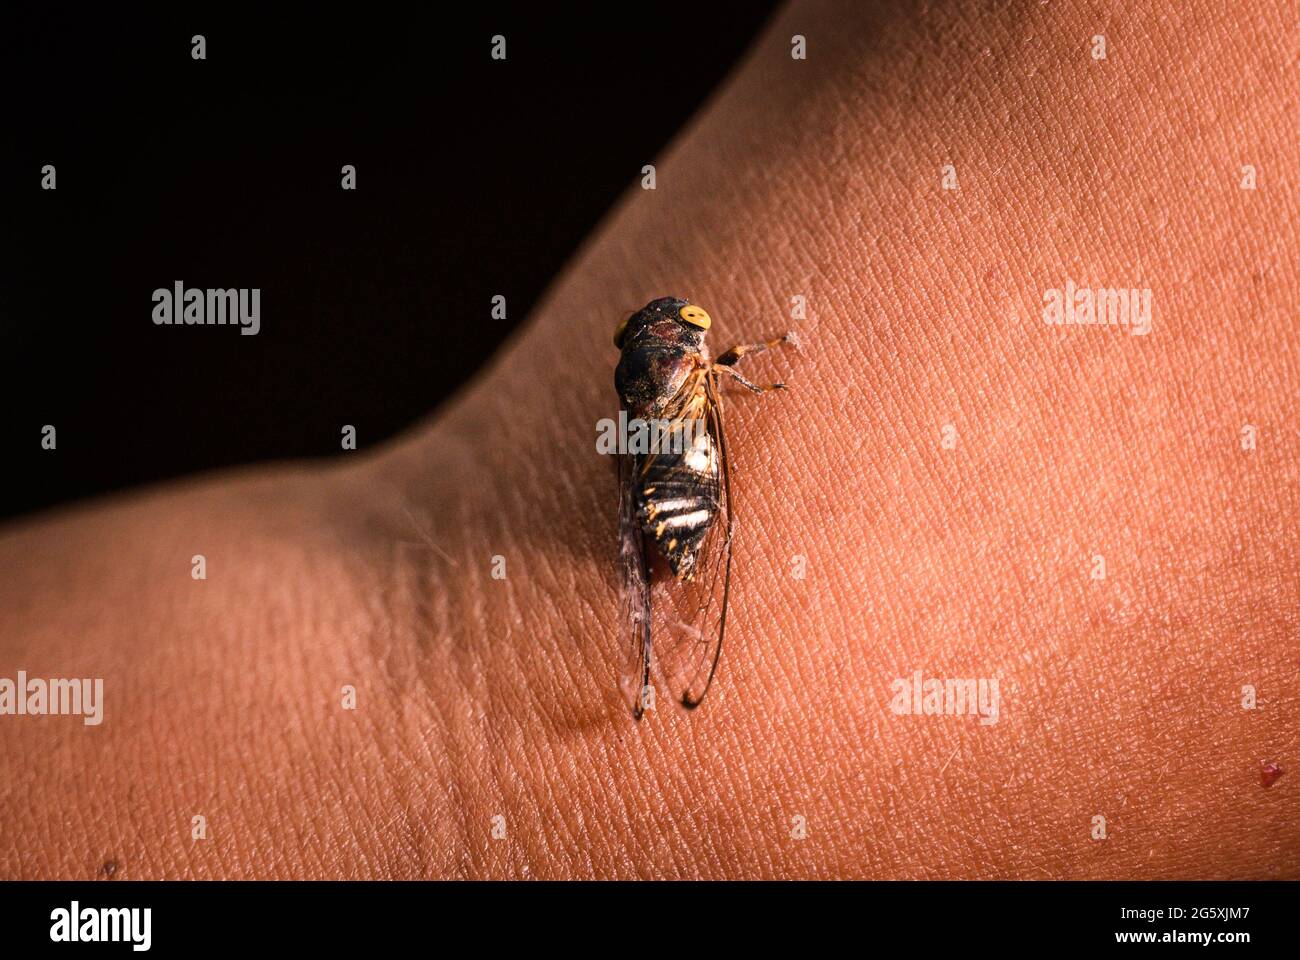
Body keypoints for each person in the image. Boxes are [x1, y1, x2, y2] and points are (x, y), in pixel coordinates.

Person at [1, 0, 1295, 878]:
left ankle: (645, 629)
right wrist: (729, 397)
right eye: (690, 337)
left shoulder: (649, 382)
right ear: (684, 349)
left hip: (648, 494)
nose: (691, 338)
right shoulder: (703, 371)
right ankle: (649, 635)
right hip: (685, 501)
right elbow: (464, 626)